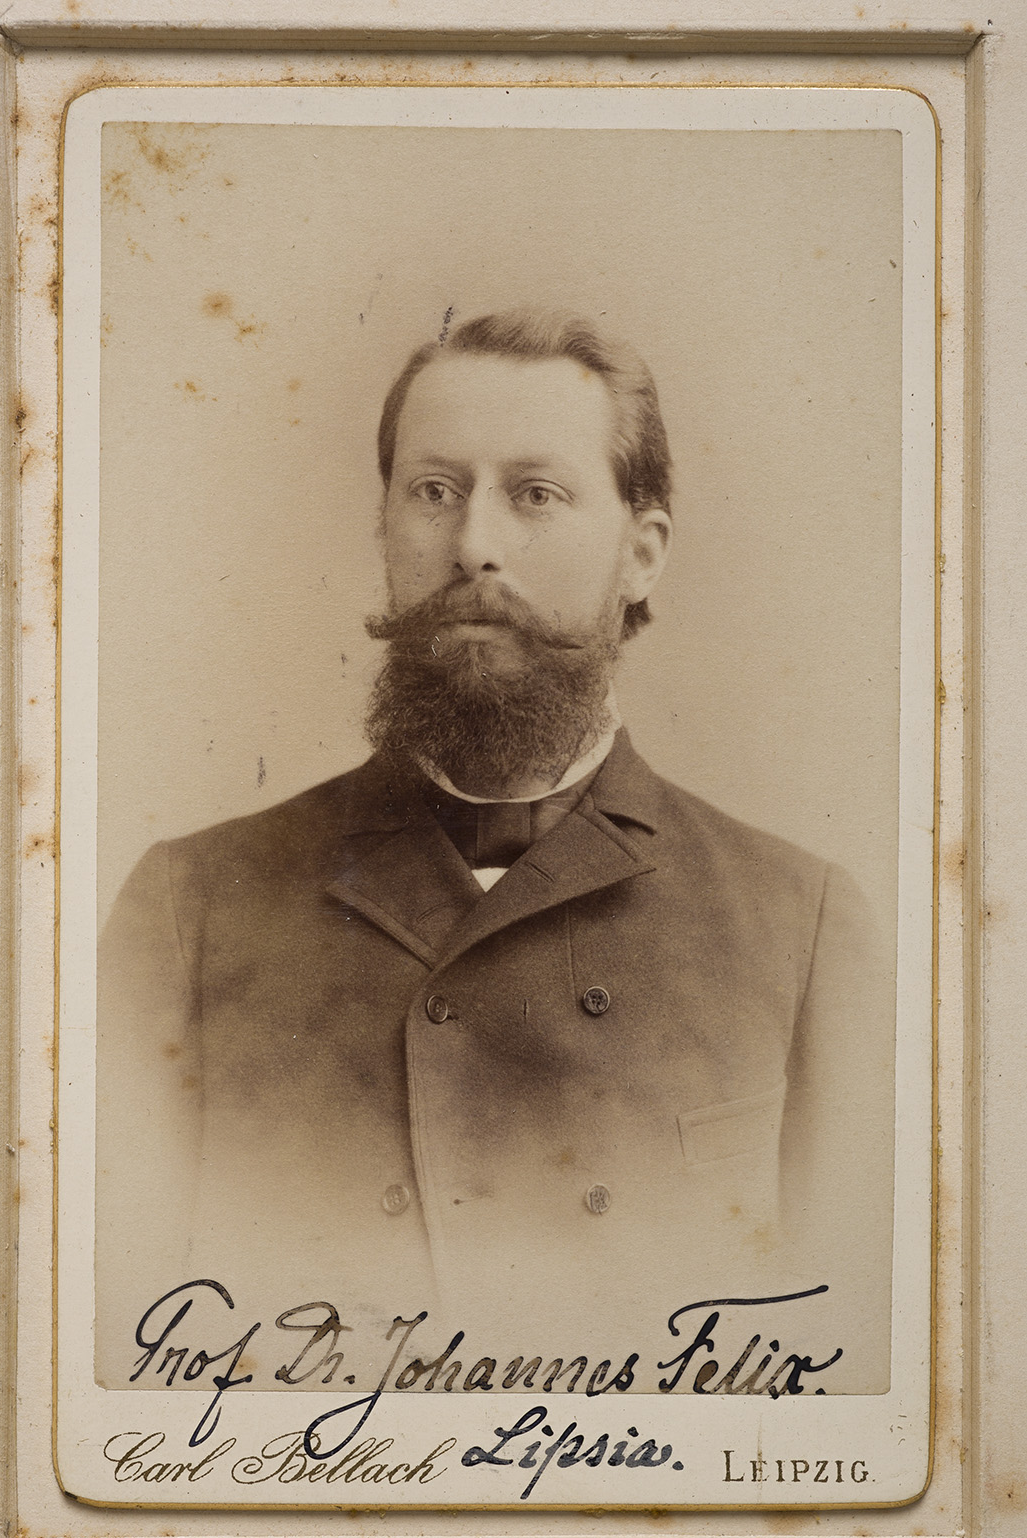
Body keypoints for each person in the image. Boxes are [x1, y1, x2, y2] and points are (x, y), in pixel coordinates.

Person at [95, 310, 893, 1387]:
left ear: (641, 553)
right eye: (433, 490)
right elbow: (113, 1359)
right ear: (385, 527)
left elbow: (846, 1376)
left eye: (535, 494)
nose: (473, 544)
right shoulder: (186, 911)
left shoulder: (802, 927)